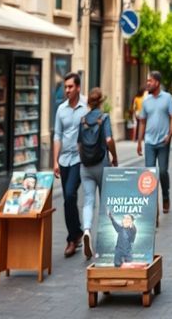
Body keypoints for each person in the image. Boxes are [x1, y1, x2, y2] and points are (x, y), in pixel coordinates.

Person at [78, 87, 118, 260]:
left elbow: (79, 144)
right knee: (105, 201)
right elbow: (108, 140)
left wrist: (82, 160)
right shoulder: (104, 117)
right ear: (101, 102)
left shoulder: (83, 120)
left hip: (85, 165)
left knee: (88, 201)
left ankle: (86, 230)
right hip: (101, 163)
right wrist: (114, 156)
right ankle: (105, 240)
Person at [53, 71, 88, 257]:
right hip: (64, 159)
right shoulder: (61, 109)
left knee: (69, 193)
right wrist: (55, 161)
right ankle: (77, 233)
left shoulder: (86, 107)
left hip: (79, 159)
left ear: (78, 88)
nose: (67, 90)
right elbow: (57, 135)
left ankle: (71, 239)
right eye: (65, 87)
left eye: (70, 87)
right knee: (68, 200)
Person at [136, 71, 172, 213]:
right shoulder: (146, 101)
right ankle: (153, 205)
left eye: (150, 81)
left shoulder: (167, 98)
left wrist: (169, 135)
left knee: (163, 171)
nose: (147, 83)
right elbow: (142, 122)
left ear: (157, 83)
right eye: (147, 81)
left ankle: (165, 196)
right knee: (150, 174)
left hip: (163, 141)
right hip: (149, 143)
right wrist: (139, 141)